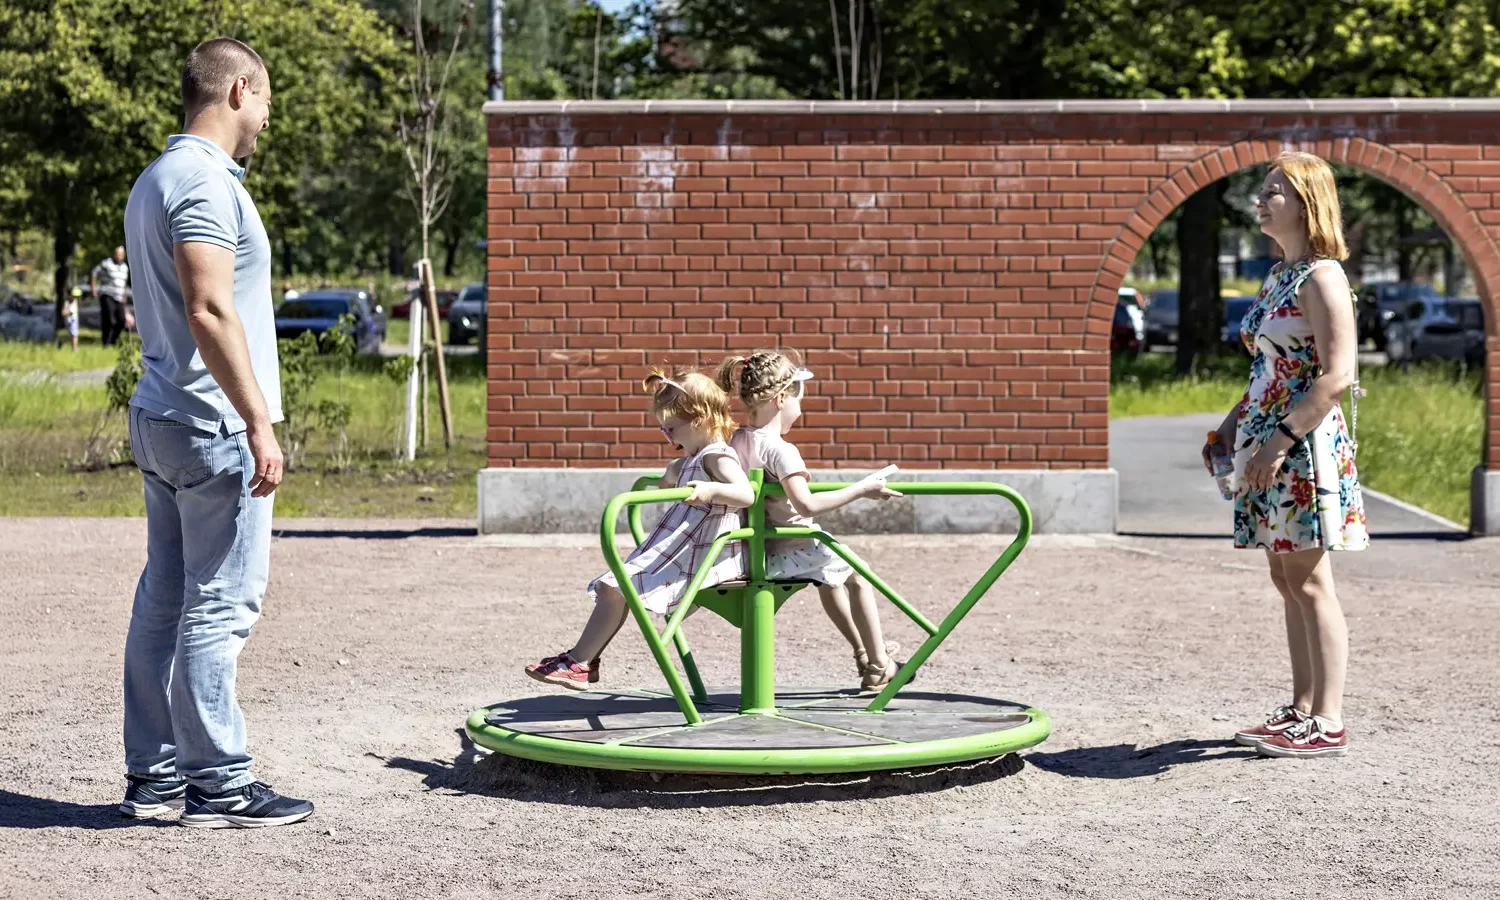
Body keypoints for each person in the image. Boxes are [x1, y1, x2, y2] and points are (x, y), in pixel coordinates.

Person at [119, 37, 313, 828]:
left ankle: (156, 778)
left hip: (162, 413)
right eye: (265, 100)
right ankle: (220, 786)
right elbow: (208, 307)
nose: (266, 118)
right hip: (212, 426)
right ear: (238, 91)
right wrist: (257, 421)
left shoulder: (155, 178)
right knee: (218, 606)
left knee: (164, 600)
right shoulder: (203, 183)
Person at [1205, 151, 1368, 759]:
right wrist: (1228, 431)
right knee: (1285, 574)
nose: (1260, 198)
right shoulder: (1279, 275)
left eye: (1273, 190)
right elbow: (1266, 371)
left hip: (1302, 446)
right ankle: (1300, 709)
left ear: (1305, 204)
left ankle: (1328, 719)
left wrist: (1277, 442)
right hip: (1269, 440)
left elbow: (1336, 376)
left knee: (1310, 578)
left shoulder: (1323, 277)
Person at [525, 368, 754, 688]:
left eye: (671, 429)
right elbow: (671, 476)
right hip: (684, 552)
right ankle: (581, 661)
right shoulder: (695, 457)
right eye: (664, 431)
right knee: (614, 587)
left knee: (616, 587)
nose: (669, 437)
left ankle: (579, 661)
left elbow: (745, 494)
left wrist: (710, 491)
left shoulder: (718, 457)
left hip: (703, 558)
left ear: (701, 419)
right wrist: (668, 477)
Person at [718, 350, 904, 693]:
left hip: (761, 549)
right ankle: (879, 664)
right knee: (859, 577)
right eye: (799, 395)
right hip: (795, 548)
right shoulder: (781, 449)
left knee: (831, 579)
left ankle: (863, 653)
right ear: (782, 398)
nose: (801, 404)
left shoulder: (738, 440)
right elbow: (806, 505)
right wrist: (863, 488)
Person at [91, 246, 130, 346]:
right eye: (118, 254)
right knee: (109, 319)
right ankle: (106, 342)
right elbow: (94, 273)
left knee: (122, 320)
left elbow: (124, 283)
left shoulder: (125, 267)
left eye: (122, 255)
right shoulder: (106, 263)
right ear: (114, 254)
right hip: (107, 294)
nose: (119, 256)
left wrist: (124, 296)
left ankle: (113, 340)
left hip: (119, 297)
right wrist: (94, 289)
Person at [59, 287, 81, 352]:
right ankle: (74, 349)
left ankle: (74, 347)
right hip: (69, 320)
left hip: (75, 319)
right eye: (74, 296)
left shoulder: (75, 301)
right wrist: (69, 313)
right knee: (73, 335)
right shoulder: (67, 303)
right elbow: (63, 313)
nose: (75, 298)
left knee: (74, 335)